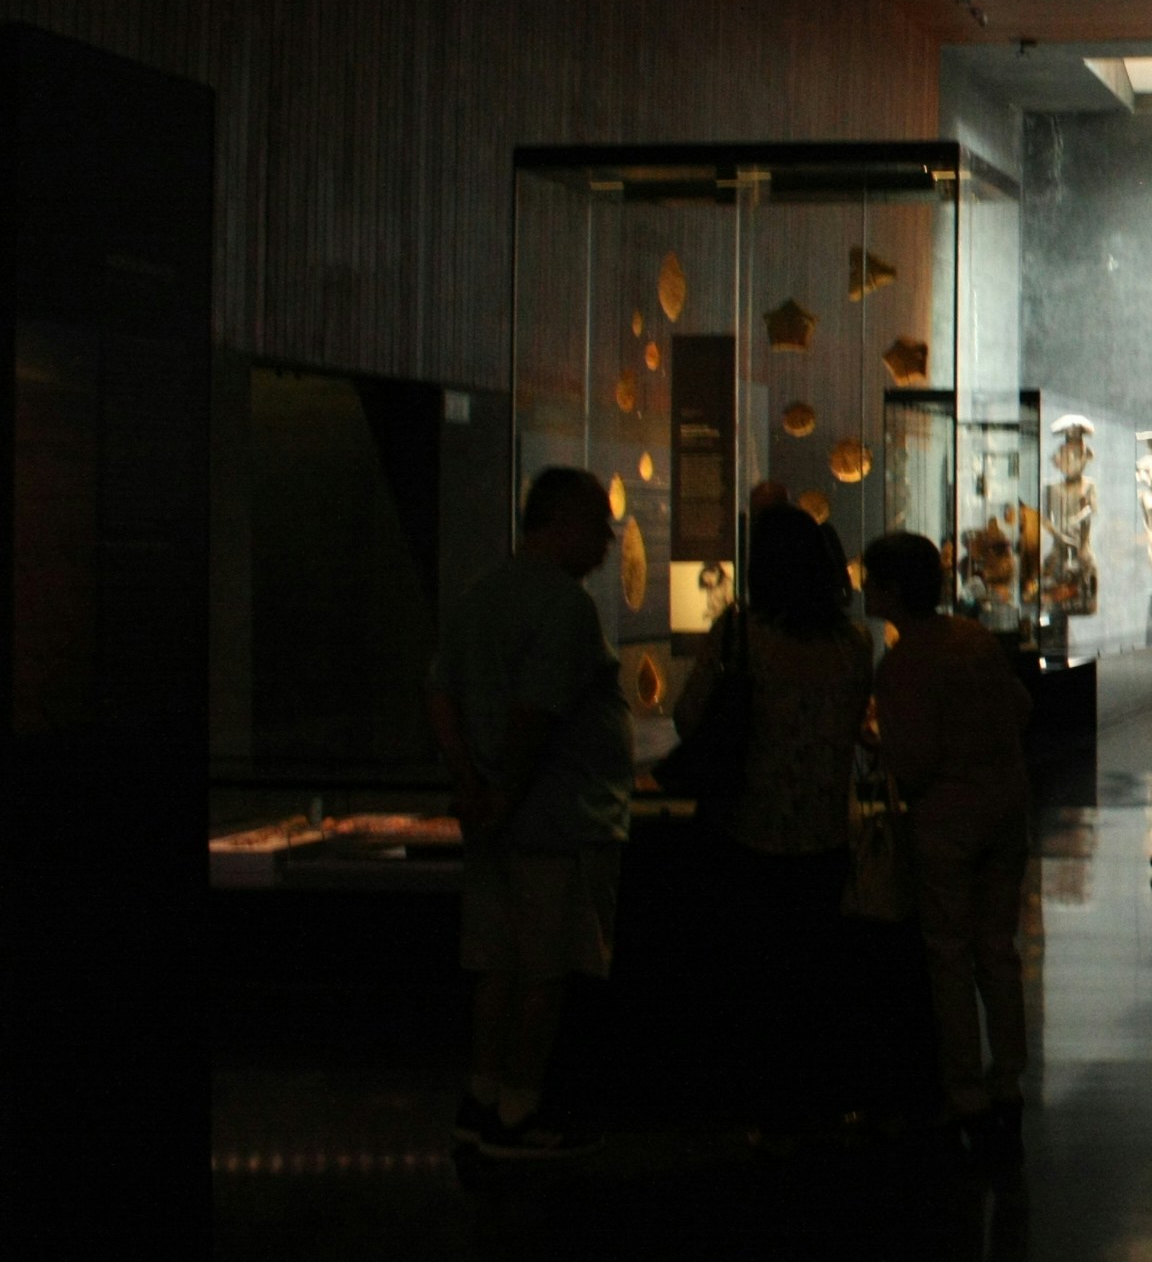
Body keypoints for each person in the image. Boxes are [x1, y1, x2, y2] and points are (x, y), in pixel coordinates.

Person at [427, 467, 632, 1159]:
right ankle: (518, 1112)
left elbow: (441, 696)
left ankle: (479, 1100)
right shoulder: (565, 607)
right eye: (599, 526)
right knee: (544, 971)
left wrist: (470, 786)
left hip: (492, 821)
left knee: (495, 965)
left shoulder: (480, 594)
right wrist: (508, 794)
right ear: (564, 522)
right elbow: (535, 713)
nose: (608, 540)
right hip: (557, 821)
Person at [675, 503, 873, 1126]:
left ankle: (762, 1104)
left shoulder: (740, 634)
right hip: (825, 828)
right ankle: (821, 1098)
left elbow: (689, 717)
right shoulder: (853, 642)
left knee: (756, 976)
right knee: (819, 974)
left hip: (748, 825)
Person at [862, 532, 1035, 1157]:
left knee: (949, 952)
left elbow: (913, 763)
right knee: (997, 947)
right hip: (1005, 807)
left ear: (888, 590)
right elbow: (1020, 707)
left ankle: (965, 1092)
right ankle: (1008, 1081)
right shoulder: (975, 640)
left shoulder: (902, 665)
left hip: (947, 821)